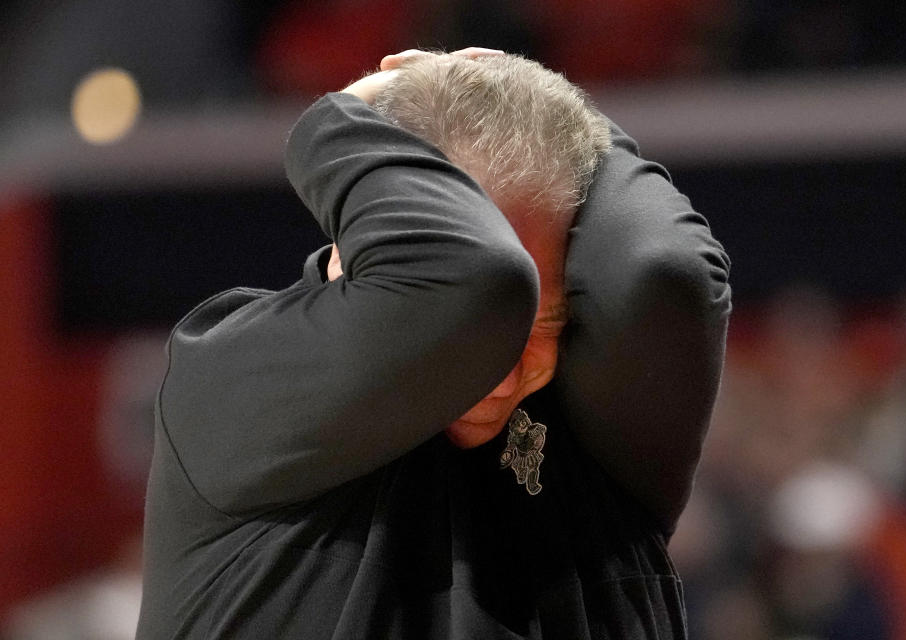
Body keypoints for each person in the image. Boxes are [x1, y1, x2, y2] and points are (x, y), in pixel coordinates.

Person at [136, 48, 731, 639]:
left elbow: (667, 269)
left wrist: (562, 110)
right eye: (499, 318)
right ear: (360, 242)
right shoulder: (229, 376)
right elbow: (472, 277)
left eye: (538, 324)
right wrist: (338, 113)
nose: (497, 378)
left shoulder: (604, 433)